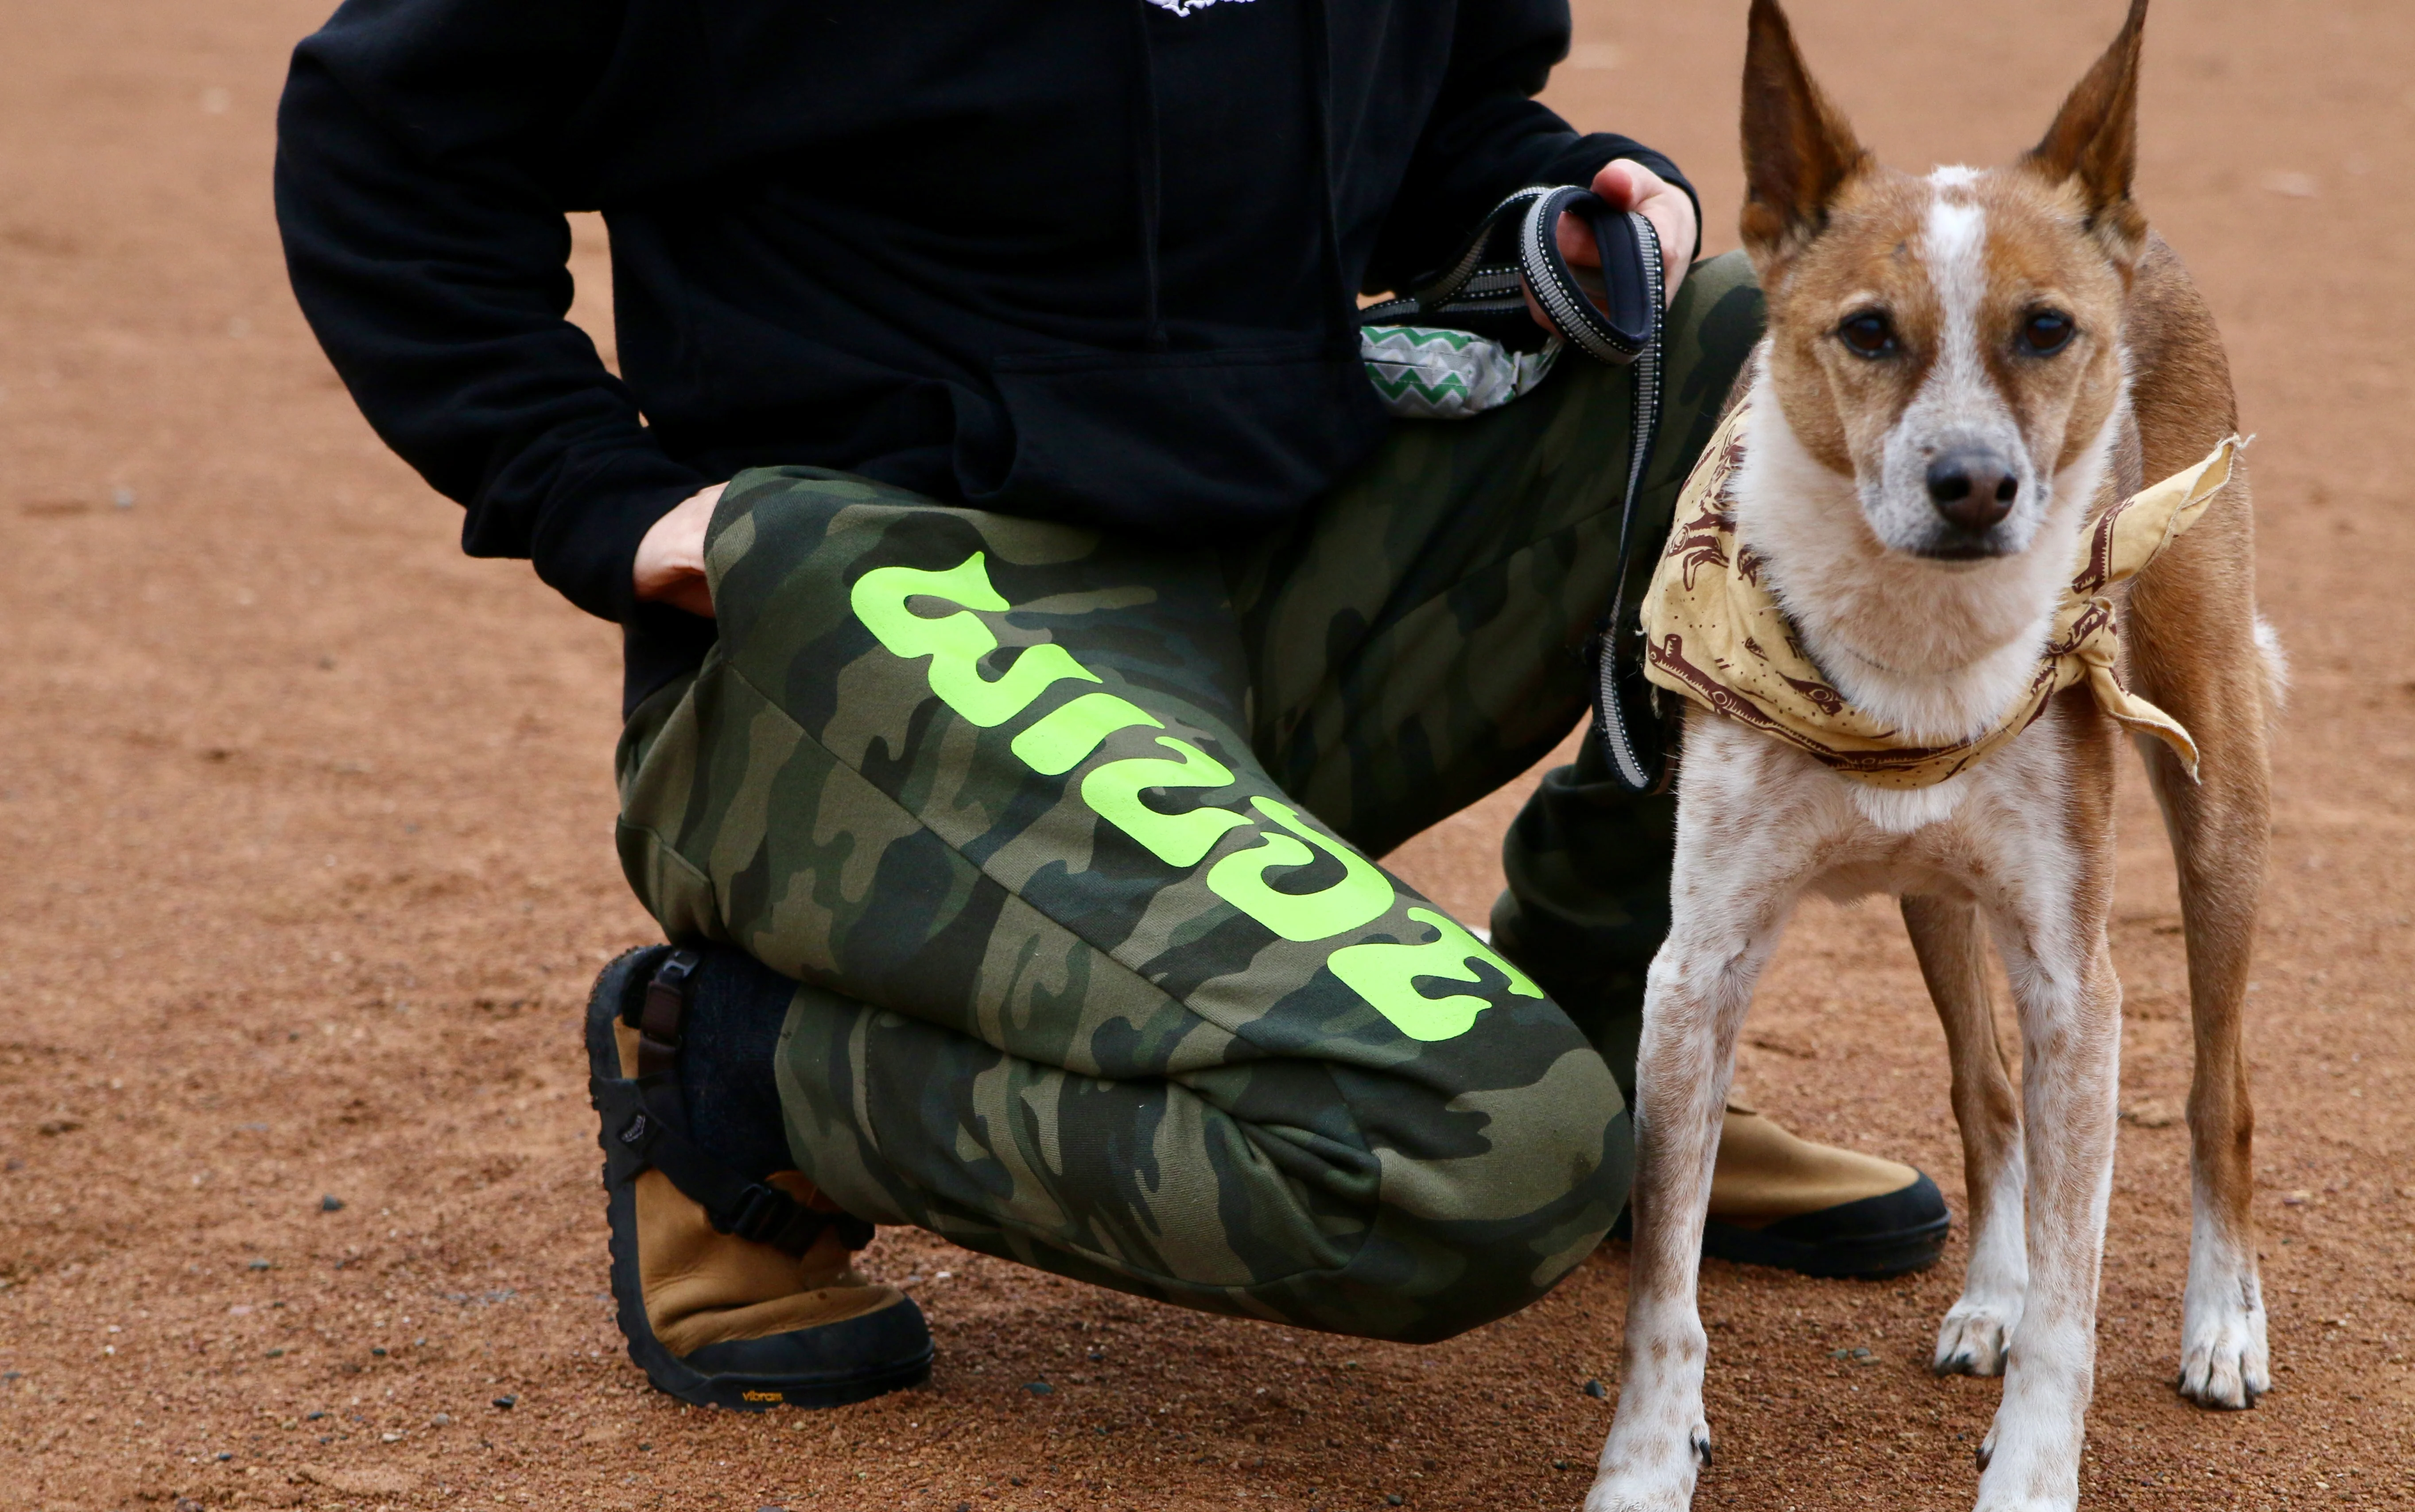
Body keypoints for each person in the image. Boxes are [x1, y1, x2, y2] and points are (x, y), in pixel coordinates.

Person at [275, 0, 1948, 1411]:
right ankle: (747, 1080)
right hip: (887, 627)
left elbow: (1430, 113)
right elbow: (385, 132)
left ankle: (1619, 1032)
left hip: (1261, 552)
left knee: (1754, 361)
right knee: (1482, 1148)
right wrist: (593, 491)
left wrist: (1536, 198)